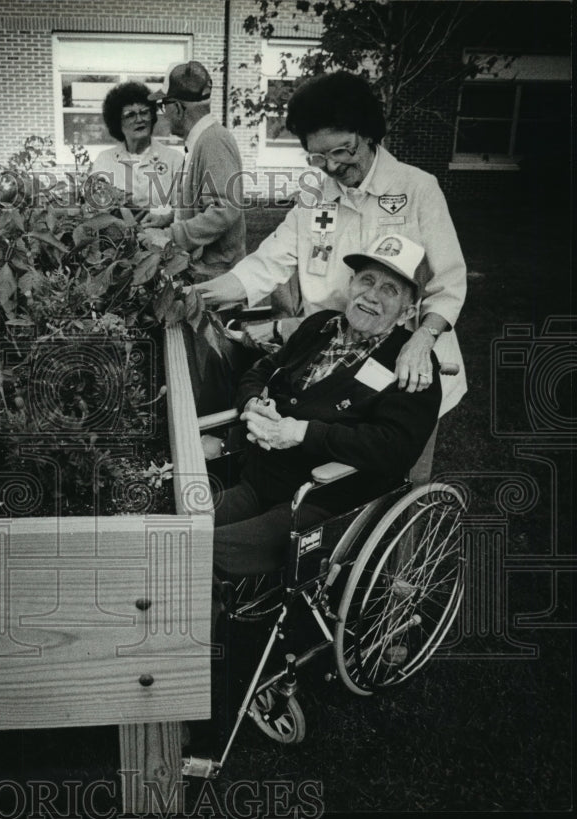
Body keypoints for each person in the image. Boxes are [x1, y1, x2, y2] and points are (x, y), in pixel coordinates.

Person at [194, 71, 466, 438]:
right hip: (333, 359)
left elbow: (447, 283)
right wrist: (196, 296)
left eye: (342, 150)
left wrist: (422, 341)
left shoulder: (417, 190)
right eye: (318, 157)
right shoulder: (315, 198)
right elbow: (265, 264)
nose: (333, 167)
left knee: (392, 456)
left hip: (402, 362)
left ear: (368, 134)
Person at [211, 234, 441, 579]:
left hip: (319, 500)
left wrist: (304, 432)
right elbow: (260, 371)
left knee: (200, 551)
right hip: (260, 478)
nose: (371, 296)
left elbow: (394, 448)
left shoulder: (411, 364)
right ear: (351, 283)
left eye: (389, 290)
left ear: (408, 311)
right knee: (175, 526)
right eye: (367, 280)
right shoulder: (319, 326)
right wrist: (254, 404)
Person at [141, 61, 247, 275]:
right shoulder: (202, 140)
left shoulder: (213, 141)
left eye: (163, 106)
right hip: (205, 272)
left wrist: (170, 236)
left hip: (215, 276)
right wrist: (168, 218)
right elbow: (202, 203)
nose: (163, 114)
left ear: (178, 108)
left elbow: (224, 210)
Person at [90, 81, 184, 214]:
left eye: (144, 112)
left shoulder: (174, 159)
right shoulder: (105, 160)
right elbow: (97, 207)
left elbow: (182, 210)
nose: (140, 119)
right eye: (130, 115)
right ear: (117, 122)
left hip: (161, 233)